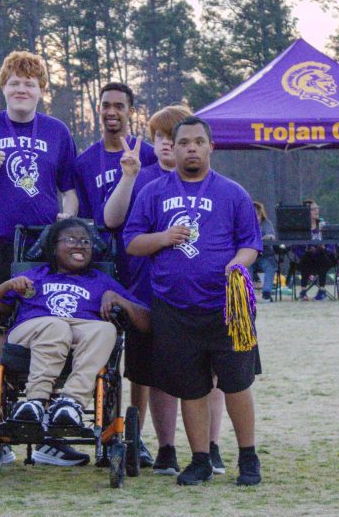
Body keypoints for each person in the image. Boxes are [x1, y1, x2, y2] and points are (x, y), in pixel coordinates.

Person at [124, 116, 263, 486]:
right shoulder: (152, 191)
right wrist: (164, 237)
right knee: (191, 387)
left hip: (227, 307)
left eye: (198, 142)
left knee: (236, 383)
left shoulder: (233, 193)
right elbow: (132, 242)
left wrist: (237, 264)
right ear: (173, 146)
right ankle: (200, 459)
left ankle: (248, 458)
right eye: (183, 142)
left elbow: (251, 242)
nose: (191, 148)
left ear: (210, 147)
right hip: (174, 308)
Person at [0, 51, 79, 466]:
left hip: (44, 245)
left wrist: (69, 219)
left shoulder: (58, 131)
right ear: (3, 87)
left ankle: (49, 430)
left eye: (30, 82)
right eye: (15, 82)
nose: (22, 88)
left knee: (56, 332)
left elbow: (69, 189)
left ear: (41, 90)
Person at [103, 105, 228, 477]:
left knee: (210, 376)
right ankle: (166, 448)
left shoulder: (215, 185)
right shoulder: (143, 178)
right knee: (157, 374)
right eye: (159, 137)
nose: (168, 145)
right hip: (148, 292)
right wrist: (128, 178)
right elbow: (115, 223)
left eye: (174, 138)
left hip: (204, 295)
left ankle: (211, 447)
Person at [0, 218, 149, 428]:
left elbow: (146, 324)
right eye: (71, 239)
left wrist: (120, 300)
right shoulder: (33, 276)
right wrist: (6, 286)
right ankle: (36, 400)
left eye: (86, 241)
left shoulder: (102, 280)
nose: (79, 245)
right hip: (33, 329)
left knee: (106, 329)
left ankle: (71, 403)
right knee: (56, 327)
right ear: (54, 247)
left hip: (83, 330)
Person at [73, 82, 157, 467]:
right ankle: (101, 429)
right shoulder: (85, 161)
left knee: (138, 360)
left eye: (119, 106)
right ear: (98, 109)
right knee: (100, 353)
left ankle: (135, 435)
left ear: (130, 111)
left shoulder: (150, 155)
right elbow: (79, 217)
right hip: (101, 268)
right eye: (105, 105)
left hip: (140, 268)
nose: (111, 112)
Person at [294, 199, 337, 301]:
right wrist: (306, 251)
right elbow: (295, 247)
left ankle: (322, 291)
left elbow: (332, 243)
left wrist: (324, 248)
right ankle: (303, 291)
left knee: (321, 254)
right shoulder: (300, 228)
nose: (316, 211)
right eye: (313, 209)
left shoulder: (324, 225)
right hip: (307, 260)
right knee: (307, 256)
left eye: (317, 209)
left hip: (324, 258)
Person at [249, 202, 278, 302]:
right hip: (249, 255)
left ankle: (266, 293)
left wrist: (267, 237)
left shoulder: (266, 223)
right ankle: (248, 294)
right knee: (245, 267)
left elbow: (272, 236)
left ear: (261, 215)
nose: (256, 217)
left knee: (270, 266)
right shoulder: (244, 225)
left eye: (257, 214)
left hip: (264, 255)